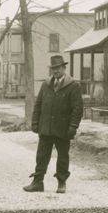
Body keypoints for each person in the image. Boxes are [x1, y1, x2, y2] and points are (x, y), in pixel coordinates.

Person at [24, 54, 84, 194]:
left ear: (64, 68)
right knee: (41, 156)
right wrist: (35, 122)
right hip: (46, 128)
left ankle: (61, 183)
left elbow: (77, 109)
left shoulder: (73, 86)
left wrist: (73, 126)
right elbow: (38, 104)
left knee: (63, 157)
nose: (55, 71)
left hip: (63, 129)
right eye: (53, 68)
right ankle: (37, 182)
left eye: (58, 68)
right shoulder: (46, 84)